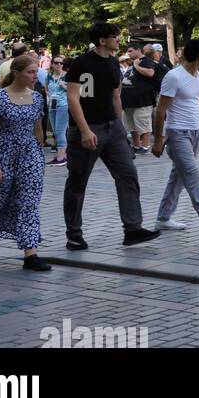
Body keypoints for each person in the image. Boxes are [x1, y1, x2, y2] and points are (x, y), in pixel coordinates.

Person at [63, 21, 160, 251]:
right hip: (87, 130)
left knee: (127, 174)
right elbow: (72, 98)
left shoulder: (114, 64)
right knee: (77, 183)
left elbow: (116, 96)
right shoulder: (81, 63)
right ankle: (74, 235)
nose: (119, 40)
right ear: (102, 40)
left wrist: (120, 128)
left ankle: (133, 229)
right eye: (114, 37)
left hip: (113, 129)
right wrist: (85, 130)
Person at [0, 53, 52, 272]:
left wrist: (39, 153)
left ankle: (30, 253)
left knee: (29, 202)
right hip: (2, 154)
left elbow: (37, 128)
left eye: (36, 72)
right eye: (31, 72)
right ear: (16, 73)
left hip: (29, 155)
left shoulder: (37, 98)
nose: (36, 76)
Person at [152, 38, 199, 237]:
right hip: (177, 134)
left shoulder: (198, 74)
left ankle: (163, 218)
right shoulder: (173, 77)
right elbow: (160, 111)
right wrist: (159, 140)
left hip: (195, 133)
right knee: (192, 174)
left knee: (178, 177)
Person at [121, 44, 160, 153]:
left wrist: (136, 66)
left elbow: (150, 73)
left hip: (142, 100)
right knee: (131, 125)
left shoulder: (145, 60)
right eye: (128, 51)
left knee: (143, 123)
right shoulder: (133, 63)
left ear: (138, 50)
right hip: (128, 101)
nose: (128, 53)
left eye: (130, 51)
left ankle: (145, 146)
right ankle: (137, 145)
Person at [46, 56, 70, 165]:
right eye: (56, 62)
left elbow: (74, 90)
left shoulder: (66, 76)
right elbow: (46, 89)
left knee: (60, 131)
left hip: (63, 105)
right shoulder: (49, 76)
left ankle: (61, 158)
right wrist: (49, 96)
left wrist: (64, 86)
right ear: (52, 64)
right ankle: (62, 154)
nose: (59, 64)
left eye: (61, 63)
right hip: (52, 105)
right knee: (55, 131)